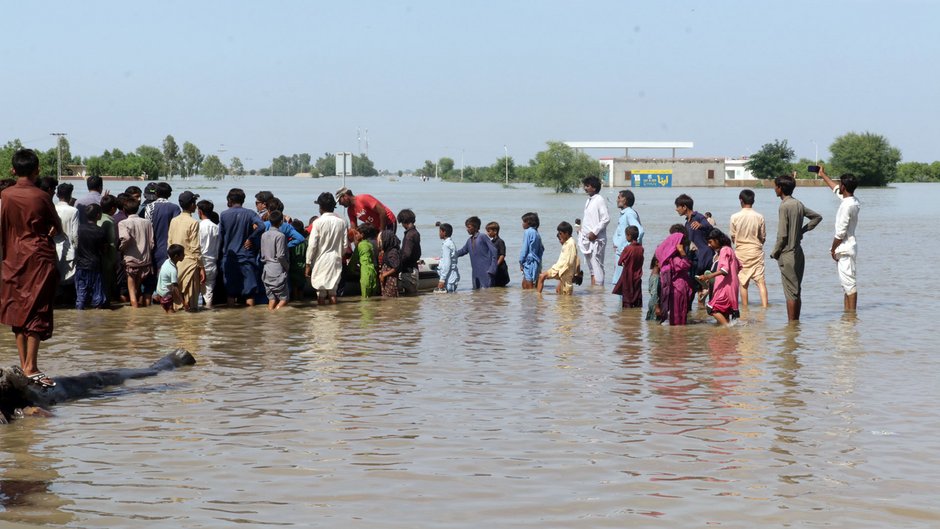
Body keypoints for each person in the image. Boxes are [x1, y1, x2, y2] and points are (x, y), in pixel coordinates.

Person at [1, 149, 63, 388]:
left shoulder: (5, 195)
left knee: (17, 310)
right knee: (37, 309)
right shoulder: (41, 197)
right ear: (37, 171)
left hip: (12, 258)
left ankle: (24, 365)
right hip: (38, 257)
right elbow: (56, 227)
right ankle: (31, 367)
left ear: (13, 170)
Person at [770, 174, 823, 322]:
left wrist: (775, 252)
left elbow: (782, 235)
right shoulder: (798, 204)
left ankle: (792, 327)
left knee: (790, 293)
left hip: (787, 254)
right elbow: (817, 217)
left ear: (780, 188)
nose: (774, 189)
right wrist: (802, 230)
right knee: (796, 290)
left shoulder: (784, 206)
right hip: (798, 252)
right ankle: (796, 325)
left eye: (776, 186)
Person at [819, 166, 860, 312]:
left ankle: (851, 315)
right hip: (849, 247)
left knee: (849, 284)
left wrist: (833, 249)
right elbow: (835, 189)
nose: (838, 186)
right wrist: (822, 174)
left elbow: (840, 233)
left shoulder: (846, 206)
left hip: (845, 248)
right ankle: (848, 315)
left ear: (844, 186)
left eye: (840, 184)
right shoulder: (853, 200)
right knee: (846, 284)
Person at [219, 188, 265, 306]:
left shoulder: (224, 215)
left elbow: (220, 237)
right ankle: (250, 320)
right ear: (243, 200)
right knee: (249, 293)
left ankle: (231, 319)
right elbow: (261, 226)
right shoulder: (250, 213)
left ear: (230, 200)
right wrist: (251, 238)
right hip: (246, 256)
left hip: (230, 257)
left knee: (230, 292)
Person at [305, 192, 348, 305]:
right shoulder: (342, 222)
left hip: (321, 261)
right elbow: (345, 245)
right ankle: (334, 316)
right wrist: (339, 256)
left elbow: (312, 245)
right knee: (333, 292)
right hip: (335, 260)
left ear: (321, 207)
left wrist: (308, 263)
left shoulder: (318, 223)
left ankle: (322, 317)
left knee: (321, 293)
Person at [729, 189, 769, 308]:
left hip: (741, 252)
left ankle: (745, 309)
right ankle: (765, 308)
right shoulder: (759, 216)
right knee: (761, 282)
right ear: (753, 200)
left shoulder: (734, 217)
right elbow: (763, 237)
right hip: (756, 251)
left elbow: (733, 236)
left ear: (741, 200)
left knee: (743, 283)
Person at [167, 191, 205, 311]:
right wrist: (201, 267)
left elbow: (170, 242)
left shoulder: (174, 220)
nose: (195, 205)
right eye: (194, 203)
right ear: (192, 205)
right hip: (190, 264)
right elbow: (195, 248)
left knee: (177, 301)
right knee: (191, 303)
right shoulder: (193, 222)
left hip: (175, 264)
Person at [674, 193, 714, 304]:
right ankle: (700, 312)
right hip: (694, 257)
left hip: (703, 256)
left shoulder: (698, 217)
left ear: (684, 207)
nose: (676, 209)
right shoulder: (687, 222)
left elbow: (710, 228)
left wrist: (701, 225)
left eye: (678, 207)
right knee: (699, 288)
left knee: (693, 284)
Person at [696, 229, 741, 325]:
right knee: (724, 312)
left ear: (717, 240)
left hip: (726, 287)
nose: (709, 245)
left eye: (710, 242)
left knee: (711, 308)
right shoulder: (729, 250)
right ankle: (726, 334)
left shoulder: (724, 250)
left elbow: (724, 270)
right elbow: (739, 266)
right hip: (732, 285)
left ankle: (728, 328)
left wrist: (708, 276)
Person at [118, 197, 154, 308]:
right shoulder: (147, 222)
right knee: (138, 290)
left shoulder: (123, 223)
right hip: (145, 262)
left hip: (131, 261)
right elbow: (152, 243)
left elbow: (126, 238)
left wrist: (121, 248)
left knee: (132, 294)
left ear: (124, 210)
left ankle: (134, 317)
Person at [654, 225, 693, 325]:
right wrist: (682, 252)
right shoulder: (675, 259)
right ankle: (678, 337)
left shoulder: (667, 259)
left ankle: (675, 336)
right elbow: (686, 265)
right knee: (679, 316)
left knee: (676, 316)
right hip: (678, 289)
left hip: (674, 289)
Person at [577, 175, 610, 286]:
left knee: (597, 266)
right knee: (591, 269)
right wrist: (581, 230)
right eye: (585, 186)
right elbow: (589, 220)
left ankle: (598, 295)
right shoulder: (589, 200)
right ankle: (593, 294)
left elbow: (606, 219)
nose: (585, 188)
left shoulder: (599, 200)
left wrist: (594, 232)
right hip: (587, 239)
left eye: (587, 186)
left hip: (596, 239)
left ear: (594, 188)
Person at [75, 204, 108, 310]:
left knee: (81, 296)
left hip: (81, 265)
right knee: (98, 297)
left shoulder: (79, 229)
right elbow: (104, 249)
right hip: (95, 266)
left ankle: (79, 316)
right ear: (98, 215)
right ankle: (97, 322)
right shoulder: (101, 231)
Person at [146, 182, 181, 272]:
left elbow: (148, 228)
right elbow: (176, 229)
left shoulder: (149, 207)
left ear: (156, 193)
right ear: (169, 194)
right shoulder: (175, 208)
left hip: (153, 249)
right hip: (170, 250)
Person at [537, 221, 580, 295]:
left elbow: (571, 260)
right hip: (558, 268)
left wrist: (563, 273)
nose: (559, 235)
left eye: (560, 233)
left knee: (566, 297)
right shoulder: (566, 243)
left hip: (565, 272)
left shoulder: (571, 243)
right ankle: (538, 299)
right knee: (542, 276)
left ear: (566, 233)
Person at [455, 216, 497, 289]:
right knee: (476, 294)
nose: (467, 229)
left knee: (488, 293)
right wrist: (450, 255)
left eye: (469, 227)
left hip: (486, 271)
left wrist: (492, 268)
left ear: (476, 227)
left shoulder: (482, 236)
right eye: (467, 227)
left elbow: (494, 251)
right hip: (475, 272)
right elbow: (463, 251)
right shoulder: (469, 240)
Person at [612, 190, 644, 285]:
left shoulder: (629, 213)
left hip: (625, 254)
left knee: (622, 283)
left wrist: (630, 248)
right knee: (620, 282)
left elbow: (640, 231)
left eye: (619, 198)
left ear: (625, 200)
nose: (617, 200)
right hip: (621, 253)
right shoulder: (624, 213)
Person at [261, 210, 290, 310]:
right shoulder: (280, 236)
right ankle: (276, 314)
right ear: (281, 222)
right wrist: (287, 266)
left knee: (271, 298)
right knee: (284, 299)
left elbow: (263, 254)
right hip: (277, 270)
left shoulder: (264, 235)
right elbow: (281, 255)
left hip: (266, 270)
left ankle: (270, 317)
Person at [611, 225, 644, 308]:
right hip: (638, 276)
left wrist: (625, 263)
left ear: (629, 235)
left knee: (627, 300)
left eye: (626, 235)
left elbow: (620, 262)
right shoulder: (641, 248)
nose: (625, 237)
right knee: (637, 299)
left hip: (628, 276)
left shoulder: (628, 248)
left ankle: (627, 317)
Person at [53, 183, 79, 287]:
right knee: (67, 278)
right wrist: (76, 248)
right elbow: (75, 234)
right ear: (70, 195)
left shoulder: (53, 208)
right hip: (69, 248)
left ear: (57, 195)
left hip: (54, 247)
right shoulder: (73, 211)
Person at [197, 200, 220, 308]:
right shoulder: (216, 228)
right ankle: (209, 319)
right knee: (209, 293)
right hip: (212, 263)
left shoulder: (198, 226)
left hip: (200, 263)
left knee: (195, 293)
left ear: (200, 212)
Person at [98, 194, 119, 304]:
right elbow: (112, 242)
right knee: (107, 286)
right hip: (107, 259)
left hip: (96, 257)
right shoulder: (110, 222)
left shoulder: (97, 217)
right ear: (113, 209)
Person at [398, 209, 421, 296]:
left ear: (404, 221)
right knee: (413, 297)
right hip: (414, 268)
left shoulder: (409, 235)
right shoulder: (415, 233)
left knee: (409, 296)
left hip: (408, 271)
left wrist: (397, 264)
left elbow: (406, 254)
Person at [155, 244, 184, 313]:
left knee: (166, 312)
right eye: (182, 254)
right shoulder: (173, 270)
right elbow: (175, 287)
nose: (184, 255)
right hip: (166, 295)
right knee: (171, 314)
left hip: (160, 292)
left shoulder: (167, 261)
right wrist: (183, 301)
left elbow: (160, 273)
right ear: (176, 256)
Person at [518, 212, 544, 290]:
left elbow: (524, 249)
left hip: (529, 262)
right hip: (536, 262)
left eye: (524, 222)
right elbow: (542, 249)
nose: (522, 224)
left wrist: (521, 262)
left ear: (529, 223)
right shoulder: (536, 233)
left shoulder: (528, 232)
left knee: (529, 286)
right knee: (528, 284)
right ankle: (535, 298)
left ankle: (532, 300)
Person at [355, 223, 380, 298]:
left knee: (365, 298)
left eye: (357, 233)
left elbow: (354, 261)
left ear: (362, 234)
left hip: (367, 273)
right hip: (376, 272)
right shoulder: (377, 243)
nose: (355, 236)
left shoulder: (363, 244)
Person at [288, 219, 309, 302]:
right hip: (303, 267)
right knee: (301, 288)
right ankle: (301, 300)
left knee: (294, 287)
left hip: (293, 267)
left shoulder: (291, 243)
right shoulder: (306, 242)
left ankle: (296, 301)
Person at [436, 222, 459, 293]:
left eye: (440, 231)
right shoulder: (450, 243)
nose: (439, 233)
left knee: (448, 300)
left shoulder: (446, 245)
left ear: (444, 232)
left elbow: (447, 264)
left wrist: (442, 280)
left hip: (449, 277)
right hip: (452, 275)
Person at [486, 221, 510, 287]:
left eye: (489, 231)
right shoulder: (491, 242)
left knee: (501, 286)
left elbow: (502, 255)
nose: (487, 233)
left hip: (500, 268)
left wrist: (496, 265)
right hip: (494, 268)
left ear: (495, 231)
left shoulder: (500, 242)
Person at [378, 230, 402, 297]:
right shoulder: (387, 251)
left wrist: (384, 275)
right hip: (387, 281)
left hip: (391, 281)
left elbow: (396, 267)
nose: (380, 242)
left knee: (390, 300)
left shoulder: (392, 252)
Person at [645, 256, 660, 321]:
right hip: (655, 304)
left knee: (651, 324)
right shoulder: (656, 277)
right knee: (655, 326)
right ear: (657, 263)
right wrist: (657, 307)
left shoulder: (653, 274)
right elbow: (655, 293)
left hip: (652, 303)